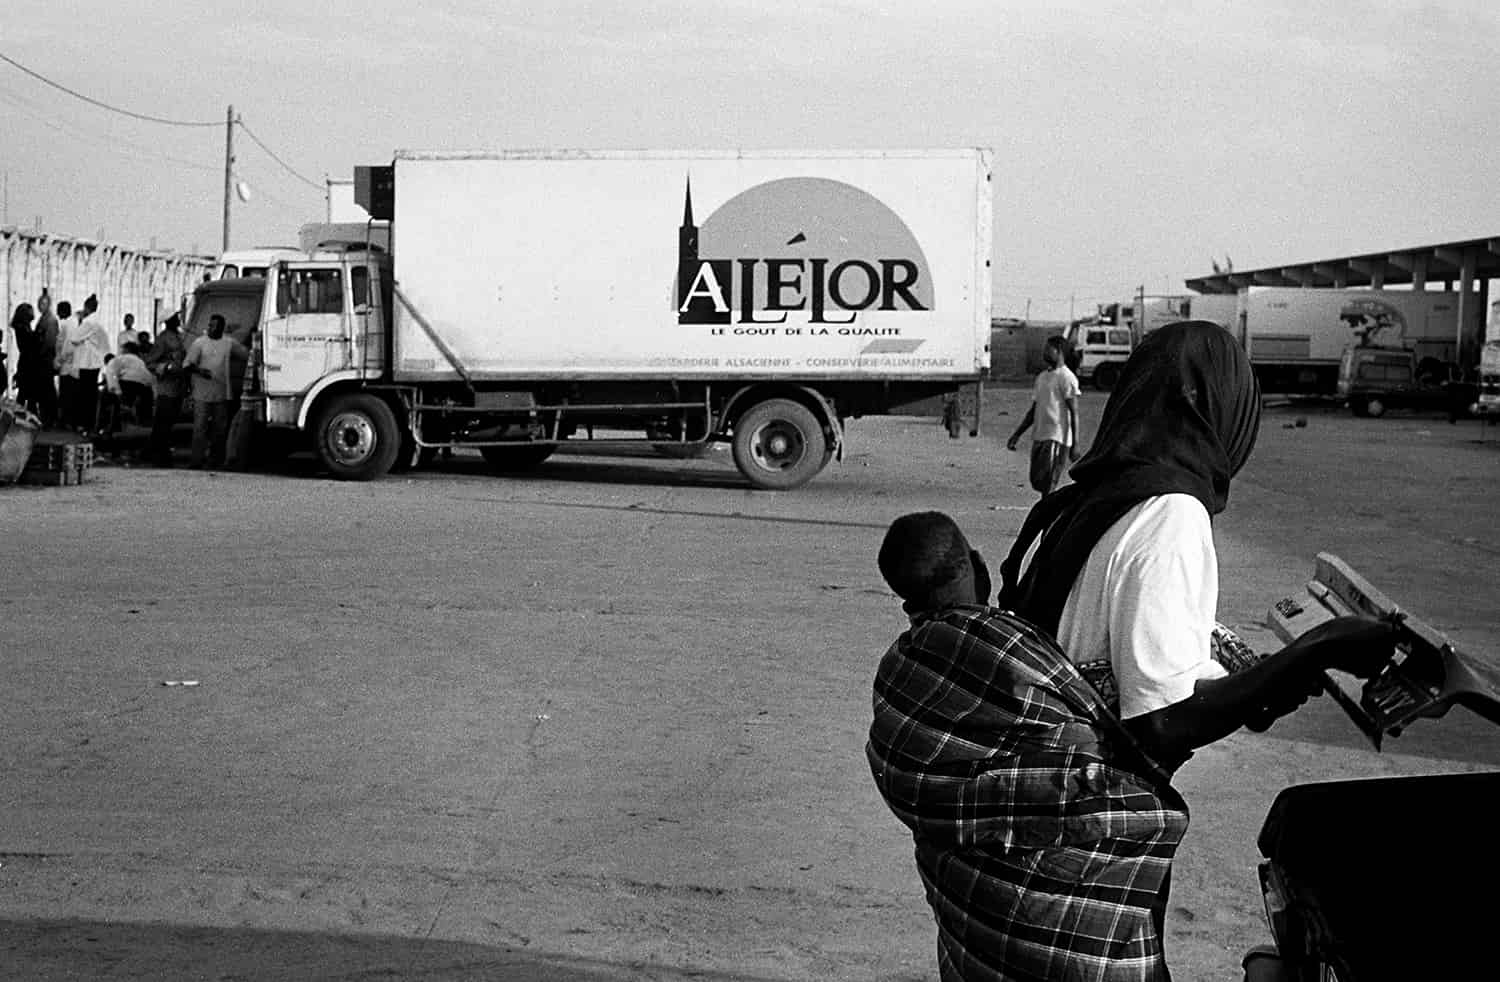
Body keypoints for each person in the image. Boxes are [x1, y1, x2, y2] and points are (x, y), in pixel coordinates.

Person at [868, 323, 1396, 981]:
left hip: (1013, 853)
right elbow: (1162, 720)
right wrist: (1320, 648)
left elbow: (1097, 655)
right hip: (1074, 854)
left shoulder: (1082, 500)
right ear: (1220, 408)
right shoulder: (1170, 513)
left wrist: (1252, 680)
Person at [1007, 335, 1081, 496]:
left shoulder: (1066, 378)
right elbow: (1033, 410)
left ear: (1059, 351)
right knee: (1038, 481)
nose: (1045, 353)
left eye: (1049, 349)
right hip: (1040, 436)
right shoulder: (1042, 377)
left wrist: (1075, 444)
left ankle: (1046, 515)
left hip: (1057, 437)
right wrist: (1017, 434)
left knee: (1049, 483)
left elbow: (1074, 412)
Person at [182, 313, 247, 468]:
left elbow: (245, 354)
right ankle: (196, 460)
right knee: (200, 428)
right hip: (201, 394)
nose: (210, 328)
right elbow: (187, 365)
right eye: (210, 325)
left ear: (221, 328)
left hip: (222, 393)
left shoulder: (228, 343)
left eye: (214, 325)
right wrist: (200, 371)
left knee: (220, 430)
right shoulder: (199, 343)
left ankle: (215, 460)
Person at [63, 294, 110, 435]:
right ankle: (88, 424)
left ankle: (86, 424)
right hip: (93, 363)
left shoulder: (88, 322)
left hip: (87, 363)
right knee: (90, 395)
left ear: (86, 308)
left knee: (86, 396)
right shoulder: (96, 321)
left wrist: (80, 321)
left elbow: (74, 338)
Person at [144, 313, 187, 466]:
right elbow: (149, 362)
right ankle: (159, 455)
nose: (178, 319)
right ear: (169, 321)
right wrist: (164, 368)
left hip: (179, 386)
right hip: (166, 386)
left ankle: (157, 452)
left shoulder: (181, 336)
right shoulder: (162, 339)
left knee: (169, 421)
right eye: (175, 317)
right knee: (163, 422)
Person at [27, 291, 60, 425]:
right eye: (39, 303)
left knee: (47, 390)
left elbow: (49, 342)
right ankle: (47, 417)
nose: (41, 306)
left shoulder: (50, 320)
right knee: (44, 389)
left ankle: (49, 418)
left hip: (45, 360)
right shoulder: (43, 318)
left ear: (49, 305)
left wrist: (39, 355)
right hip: (42, 360)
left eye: (44, 303)